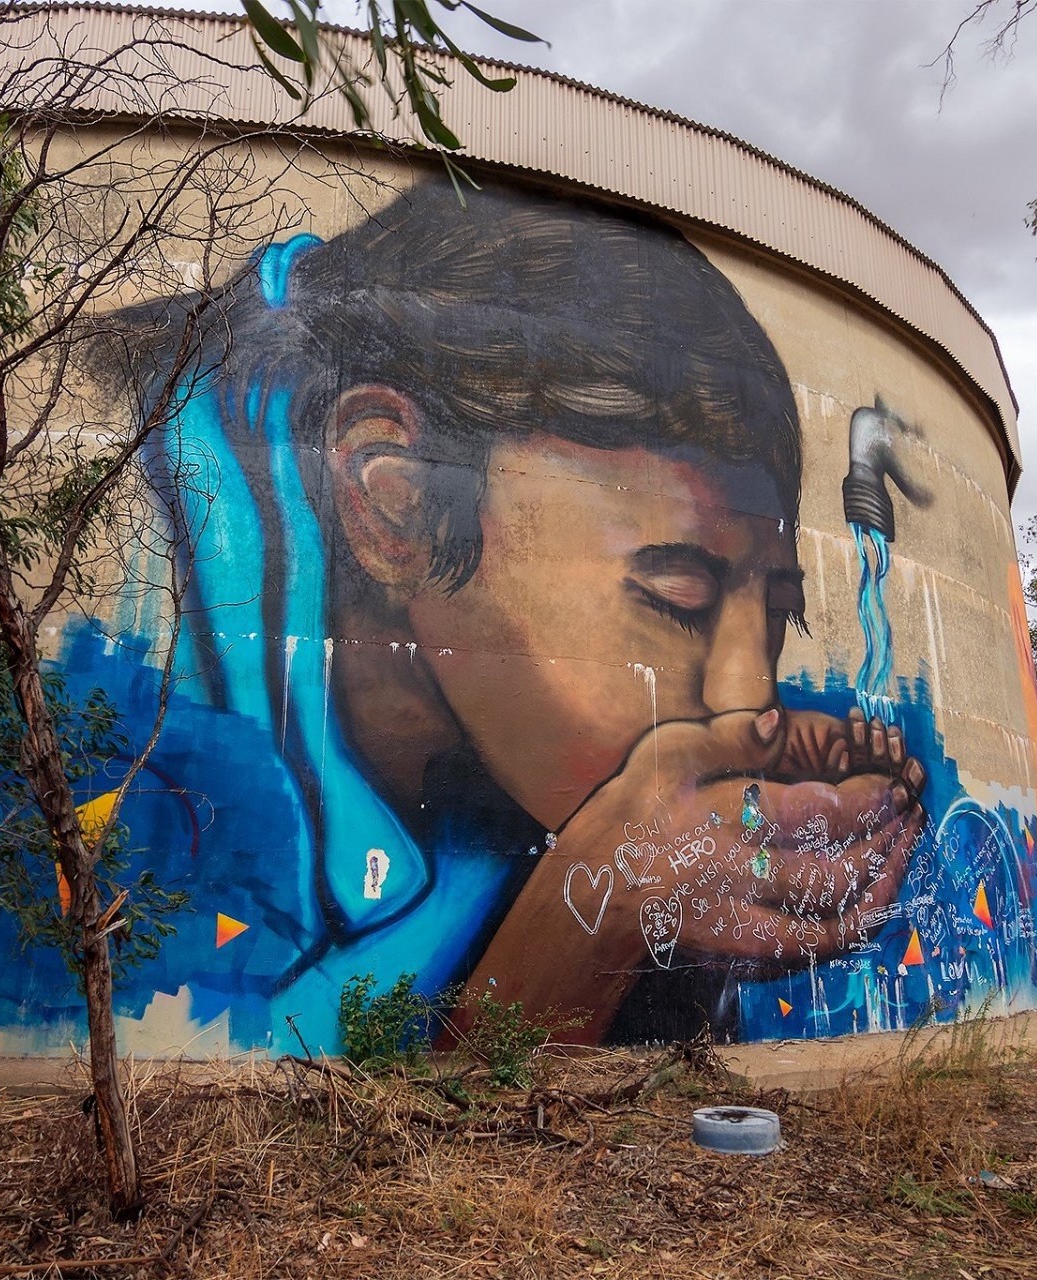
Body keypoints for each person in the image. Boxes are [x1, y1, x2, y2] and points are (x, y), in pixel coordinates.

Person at [101, 180, 928, 1049]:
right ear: (393, 502)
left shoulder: (474, 745)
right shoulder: (158, 748)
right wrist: (594, 913)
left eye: (777, 613)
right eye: (678, 599)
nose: (750, 695)